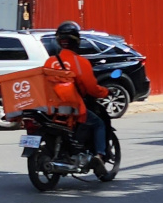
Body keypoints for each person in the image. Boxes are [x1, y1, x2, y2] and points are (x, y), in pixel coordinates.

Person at [44, 21, 112, 169]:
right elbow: (92, 89)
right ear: (77, 41)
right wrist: (105, 92)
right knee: (99, 124)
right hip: (73, 108)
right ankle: (99, 156)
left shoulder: (49, 62)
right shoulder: (81, 62)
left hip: (50, 108)